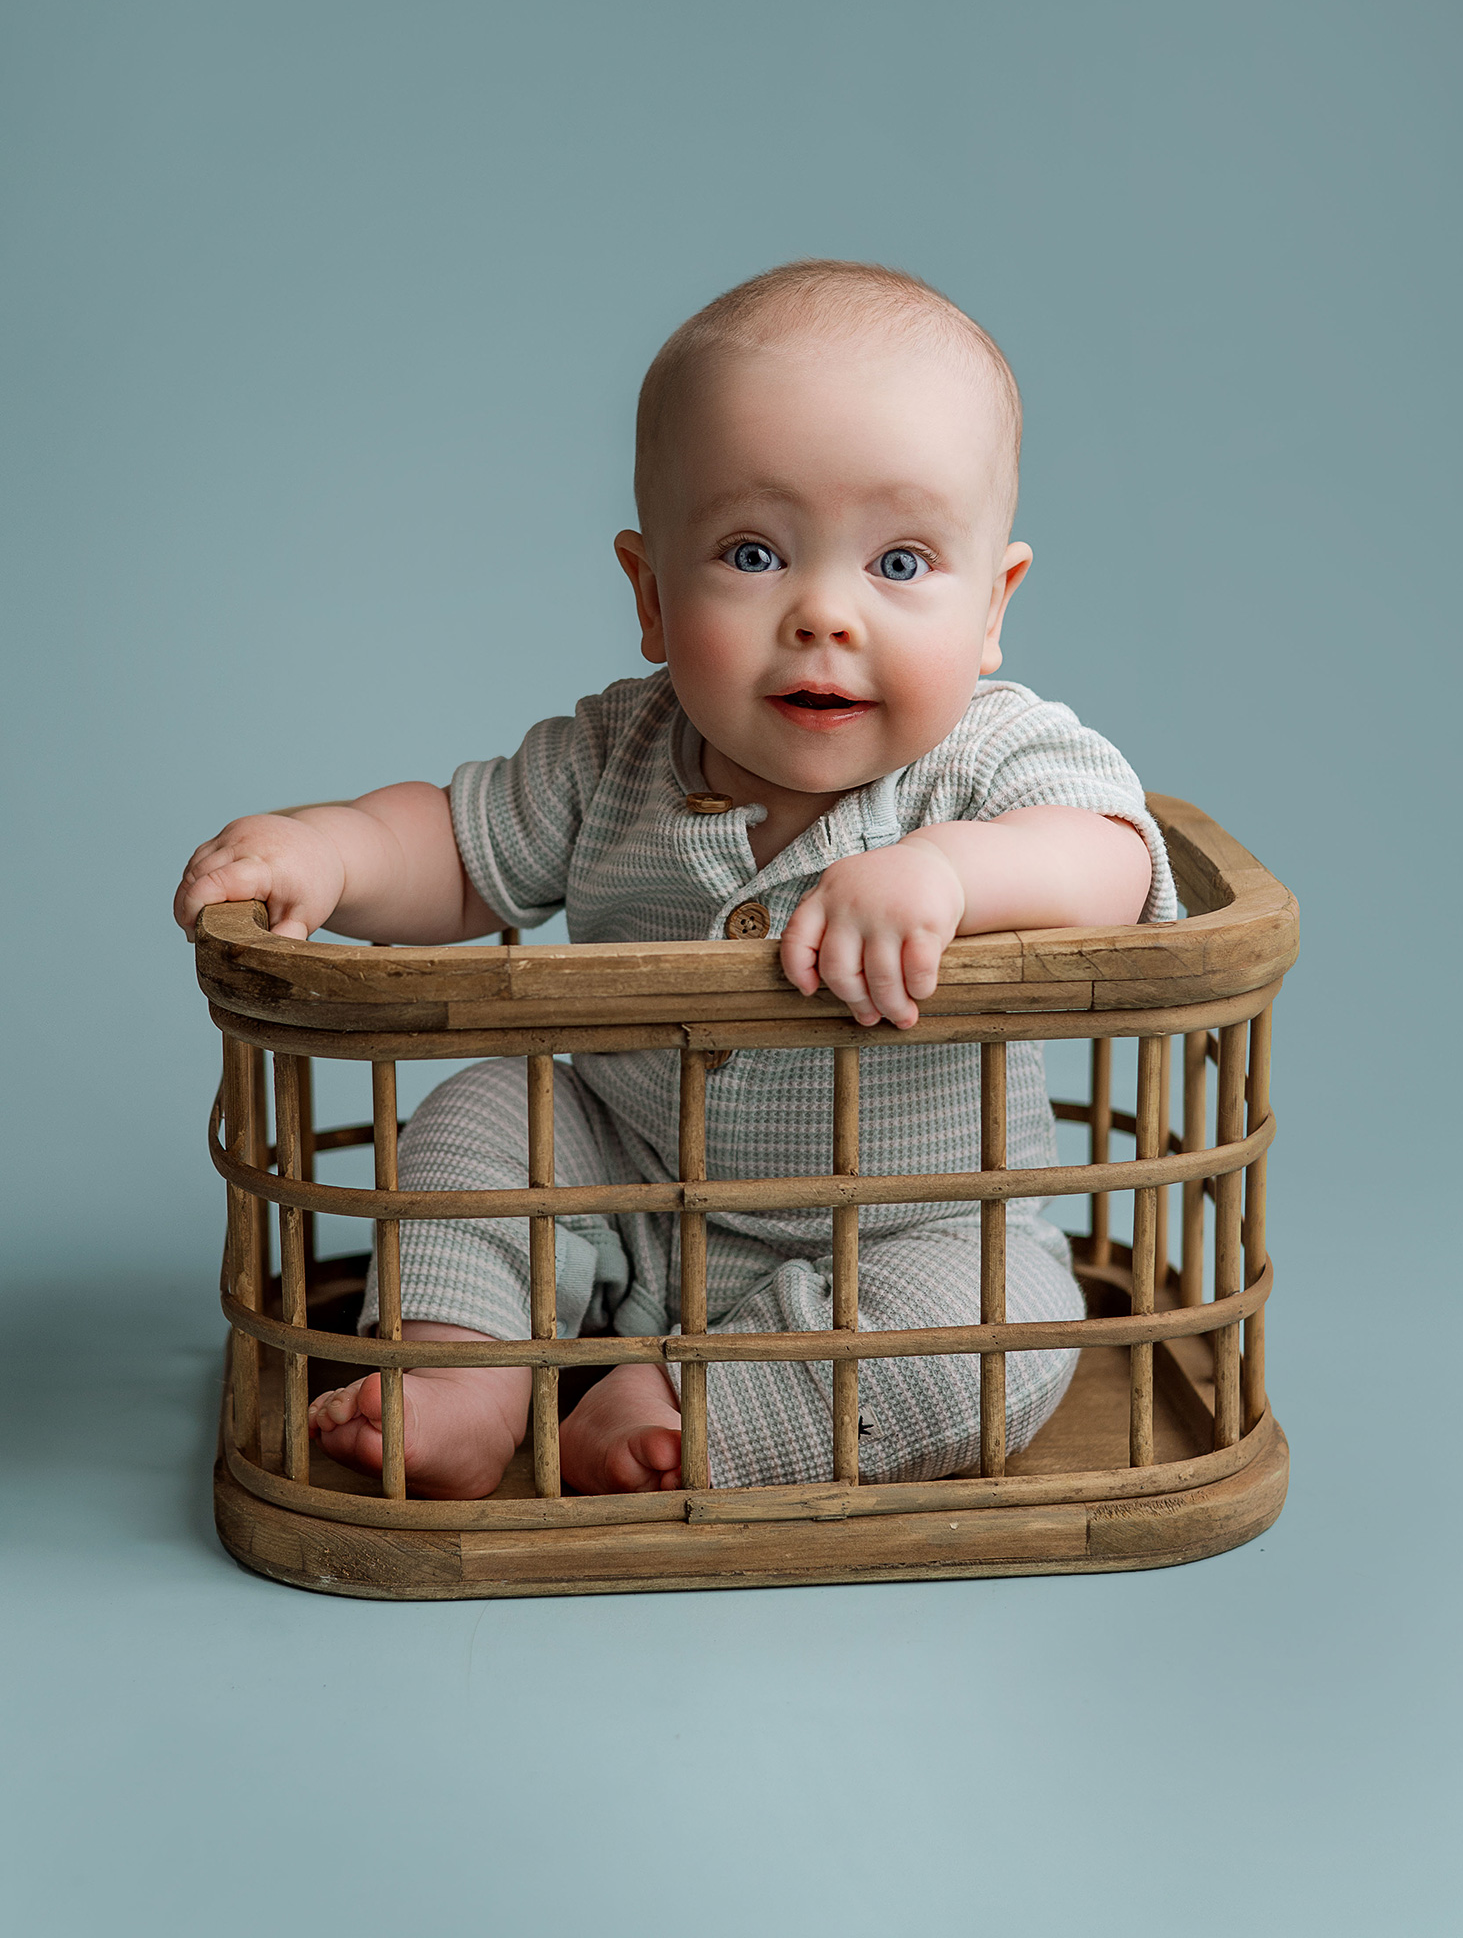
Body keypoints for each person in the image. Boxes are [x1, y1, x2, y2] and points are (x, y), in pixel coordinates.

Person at [174, 260, 1174, 1500]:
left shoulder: (991, 758)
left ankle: (707, 1414)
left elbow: (1112, 853)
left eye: (901, 562)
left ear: (989, 607)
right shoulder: (614, 754)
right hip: (626, 1192)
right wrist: (326, 850)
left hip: (916, 1224)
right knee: (486, 1110)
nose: (823, 613)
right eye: (753, 552)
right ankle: (464, 1378)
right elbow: (456, 847)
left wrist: (949, 870)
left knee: (1006, 1318)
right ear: (650, 594)